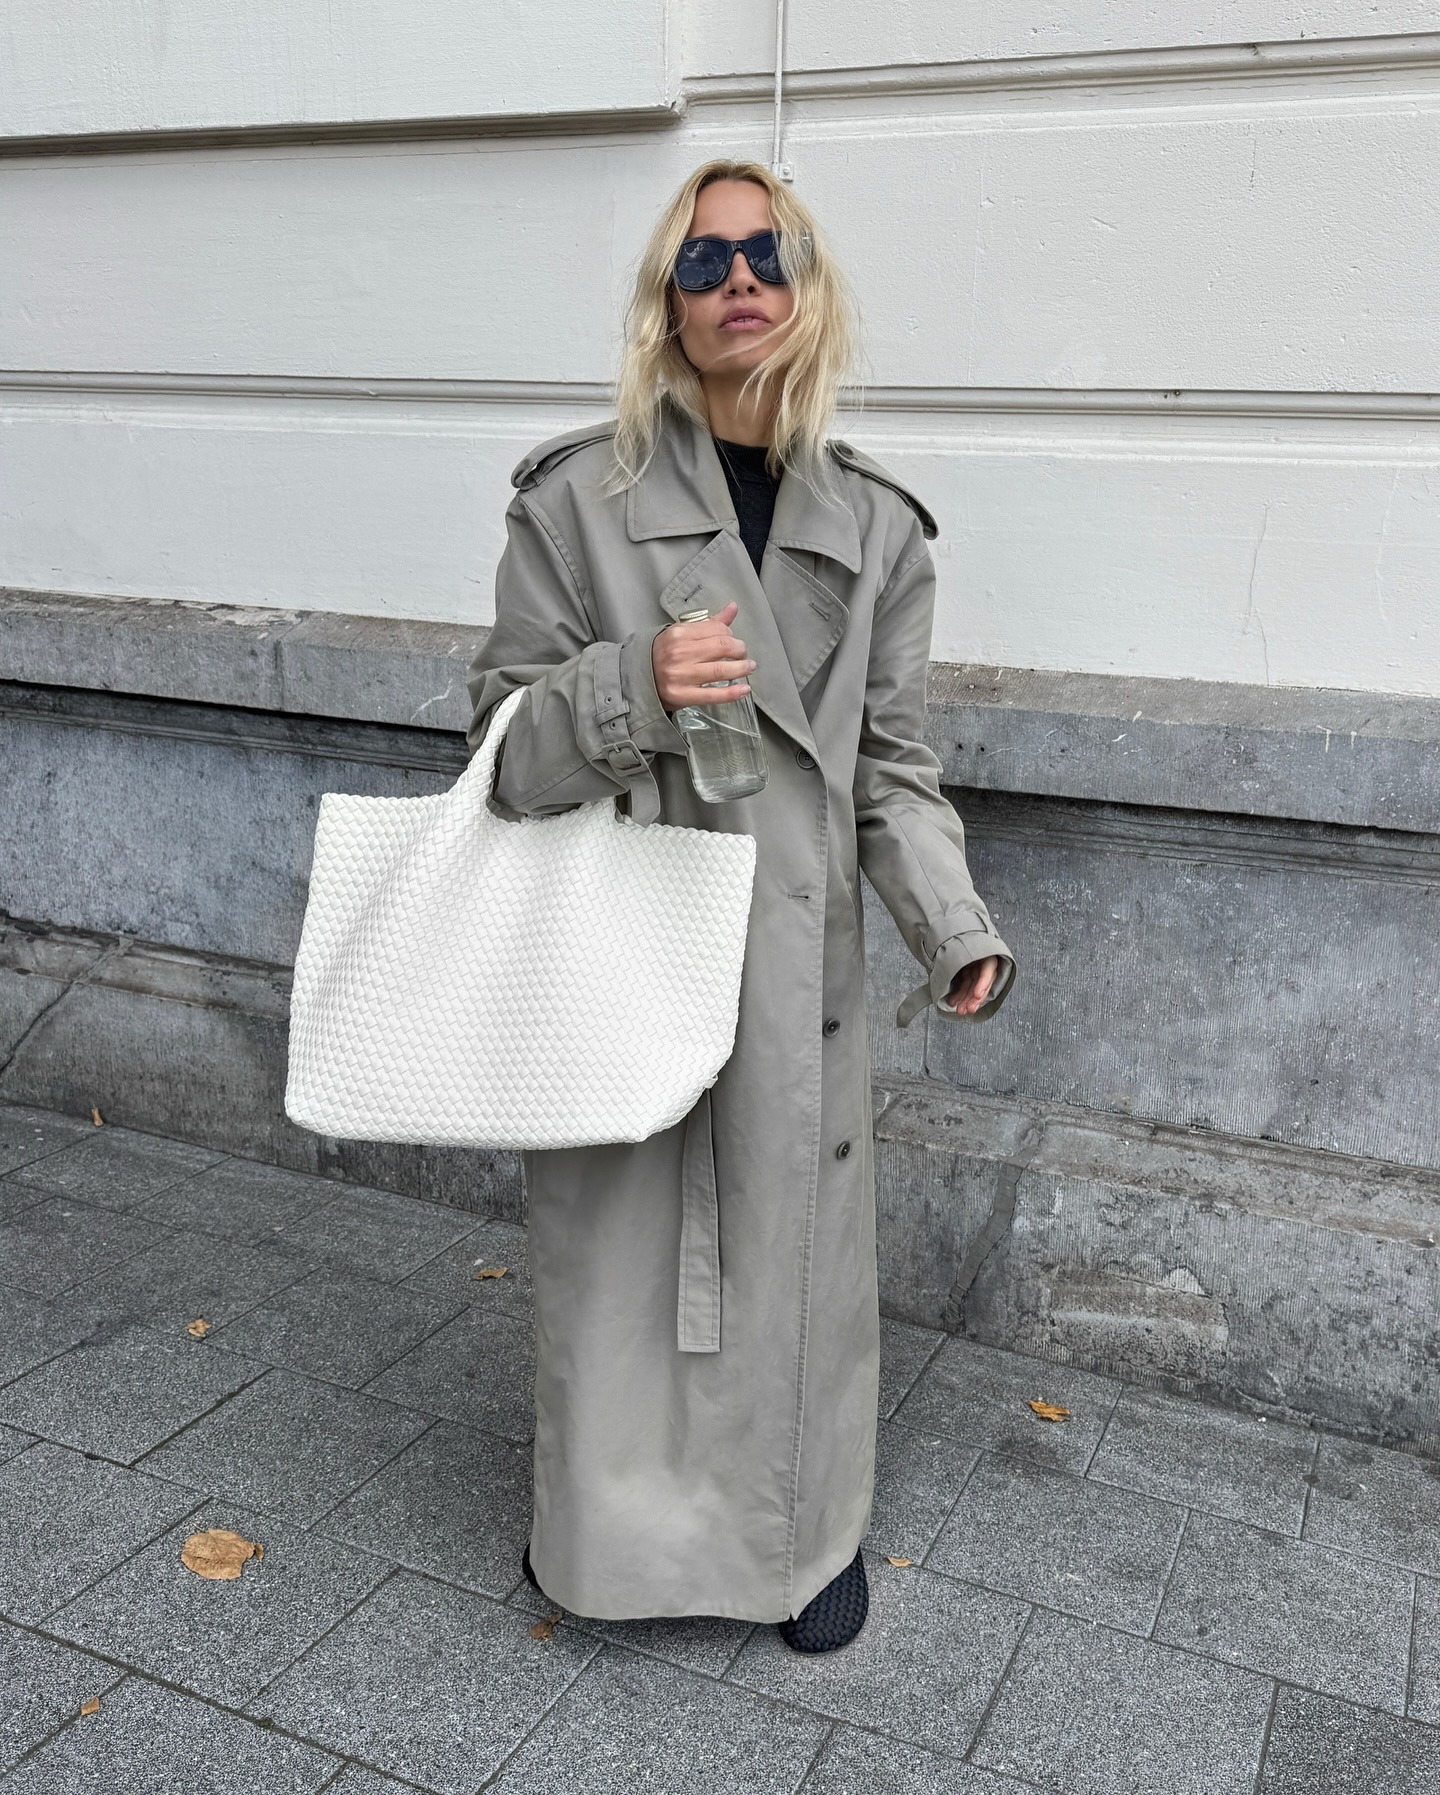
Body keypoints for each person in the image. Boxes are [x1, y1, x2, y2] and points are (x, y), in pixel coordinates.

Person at [465, 157, 1016, 1653]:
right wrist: (628, 686)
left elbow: (891, 767)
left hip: (793, 971)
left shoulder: (881, 529)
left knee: (795, 1266)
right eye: (702, 264)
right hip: (632, 947)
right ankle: (602, 1540)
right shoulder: (576, 503)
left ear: (809, 289)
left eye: (767, 255)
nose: (739, 284)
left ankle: (803, 1542)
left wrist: (951, 925)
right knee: (623, 1271)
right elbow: (500, 752)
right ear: (668, 304)